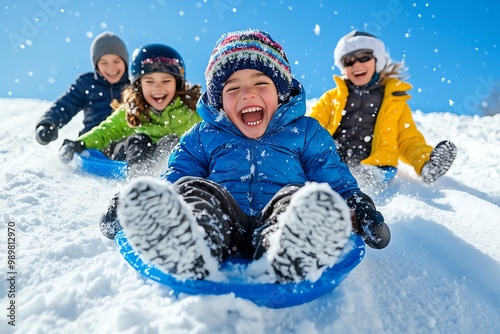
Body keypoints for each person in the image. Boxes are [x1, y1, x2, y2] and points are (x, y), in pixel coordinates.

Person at [108, 29, 389, 285]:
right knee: (196, 190)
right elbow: (178, 172)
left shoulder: (304, 132)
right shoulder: (204, 134)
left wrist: (357, 203)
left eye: (261, 84)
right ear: (219, 100)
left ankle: (295, 249)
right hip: (220, 218)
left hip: (280, 220)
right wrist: (144, 202)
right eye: (232, 88)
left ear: (280, 93)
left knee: (300, 198)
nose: (248, 94)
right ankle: (189, 244)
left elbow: (332, 175)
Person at [308, 30, 457, 186]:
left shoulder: (394, 100)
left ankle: (375, 177)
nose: (357, 64)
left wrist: (424, 162)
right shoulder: (331, 98)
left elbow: (408, 140)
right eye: (349, 61)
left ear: (377, 60)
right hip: (336, 160)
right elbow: (311, 128)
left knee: (374, 174)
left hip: (378, 165)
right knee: (322, 168)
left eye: (364, 57)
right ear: (343, 67)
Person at [58, 43, 202, 178]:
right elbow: (106, 131)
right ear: (139, 85)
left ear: (178, 84)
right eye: (149, 82)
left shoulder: (192, 111)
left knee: (173, 142)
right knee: (138, 139)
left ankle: (167, 174)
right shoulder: (133, 109)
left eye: (166, 81)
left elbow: (214, 132)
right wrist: (79, 144)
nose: (158, 88)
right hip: (134, 157)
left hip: (174, 166)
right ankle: (138, 177)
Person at [35, 31, 129, 145]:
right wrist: (48, 123)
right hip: (92, 139)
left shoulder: (134, 86)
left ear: (125, 61)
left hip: (126, 139)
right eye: (104, 62)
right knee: (73, 148)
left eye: (117, 61)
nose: (111, 68)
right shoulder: (87, 84)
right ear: (96, 65)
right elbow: (66, 105)